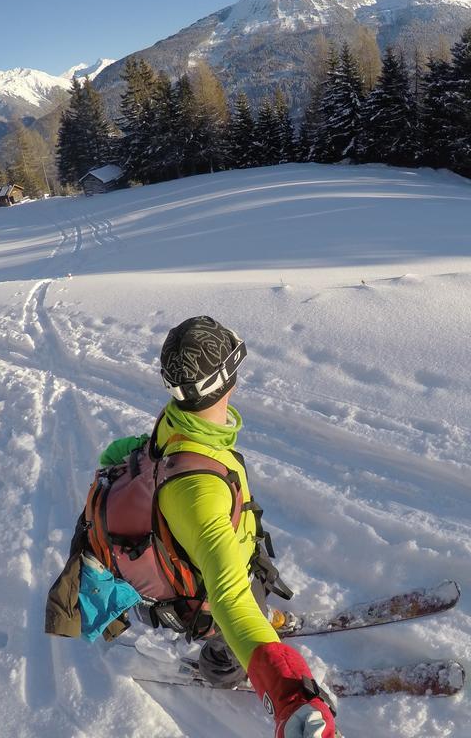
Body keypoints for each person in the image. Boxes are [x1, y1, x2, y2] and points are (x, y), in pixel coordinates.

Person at [98, 316, 336, 738]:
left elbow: (116, 452)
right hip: (208, 593)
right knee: (237, 618)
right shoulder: (200, 491)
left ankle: (251, 626)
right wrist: (289, 695)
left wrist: (127, 454)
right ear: (228, 379)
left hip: (222, 554)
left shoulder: (177, 422)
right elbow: (229, 599)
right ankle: (221, 666)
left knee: (250, 598)